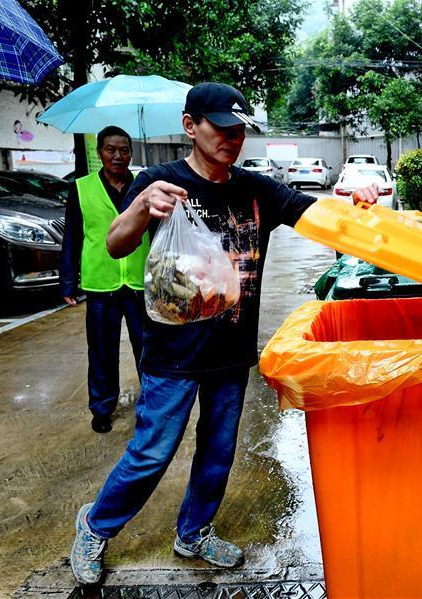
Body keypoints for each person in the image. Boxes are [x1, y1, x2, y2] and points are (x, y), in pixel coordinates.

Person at [69, 82, 378, 586]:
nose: (232, 138)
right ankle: (95, 524)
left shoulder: (256, 190)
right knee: (152, 451)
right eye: (221, 127)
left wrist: (356, 200)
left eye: (239, 130)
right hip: (172, 351)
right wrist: (143, 203)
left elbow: (319, 217)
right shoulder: (159, 179)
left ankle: (193, 531)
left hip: (231, 353)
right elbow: (117, 242)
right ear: (191, 126)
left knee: (218, 451)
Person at [60, 126, 148, 434]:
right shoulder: (81, 188)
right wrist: (68, 280)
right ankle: (101, 407)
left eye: (124, 150)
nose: (118, 156)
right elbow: (71, 237)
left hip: (140, 283)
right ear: (100, 153)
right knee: (100, 350)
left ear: (131, 153)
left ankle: (151, 406)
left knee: (147, 348)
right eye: (111, 149)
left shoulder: (144, 186)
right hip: (100, 283)